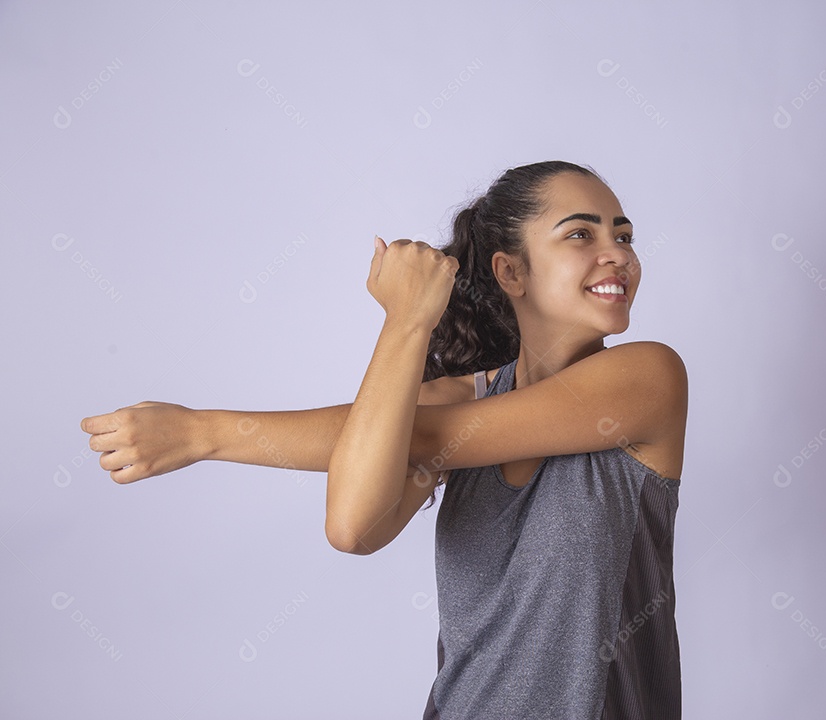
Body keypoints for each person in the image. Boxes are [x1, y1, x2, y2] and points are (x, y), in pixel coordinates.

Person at [80, 160, 688, 719]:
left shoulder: (647, 379)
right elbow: (354, 527)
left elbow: (415, 435)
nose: (618, 255)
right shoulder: (457, 398)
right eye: (581, 234)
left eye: (624, 236)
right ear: (511, 271)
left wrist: (201, 432)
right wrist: (407, 324)